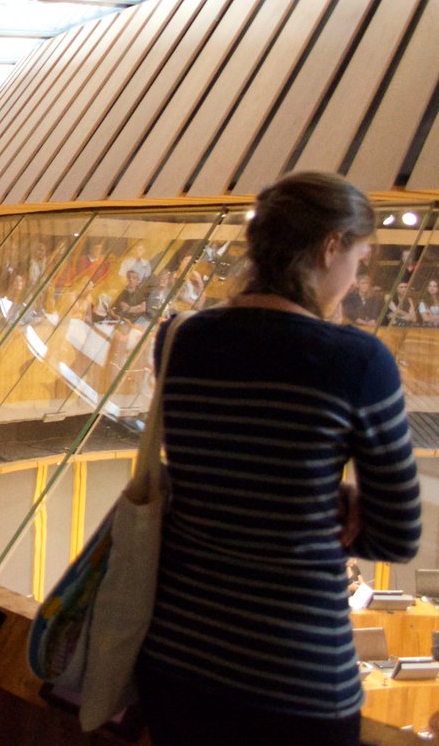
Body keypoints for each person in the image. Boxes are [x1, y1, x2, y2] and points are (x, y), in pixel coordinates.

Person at [136, 172, 421, 746]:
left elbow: (217, 479)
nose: (357, 276)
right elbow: (397, 536)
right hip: (296, 677)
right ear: (331, 245)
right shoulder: (358, 362)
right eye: (360, 257)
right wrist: (328, 507)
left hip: (177, 660)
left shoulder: (180, 338)